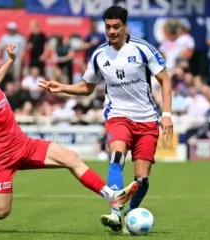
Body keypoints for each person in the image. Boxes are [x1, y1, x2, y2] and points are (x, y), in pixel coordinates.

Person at [0, 44, 139, 224]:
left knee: (71, 158)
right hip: (1, 158)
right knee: (0, 211)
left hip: (24, 145)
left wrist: (11, 60)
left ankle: (111, 196)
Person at [38, 6, 173, 232]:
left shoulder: (142, 49)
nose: (111, 31)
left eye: (116, 26)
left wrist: (167, 115)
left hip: (147, 120)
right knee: (116, 157)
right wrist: (61, 87)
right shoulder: (100, 54)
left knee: (142, 180)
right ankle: (115, 214)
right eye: (108, 26)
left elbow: (165, 80)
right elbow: (87, 87)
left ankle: (130, 215)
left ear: (125, 26)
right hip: (118, 116)